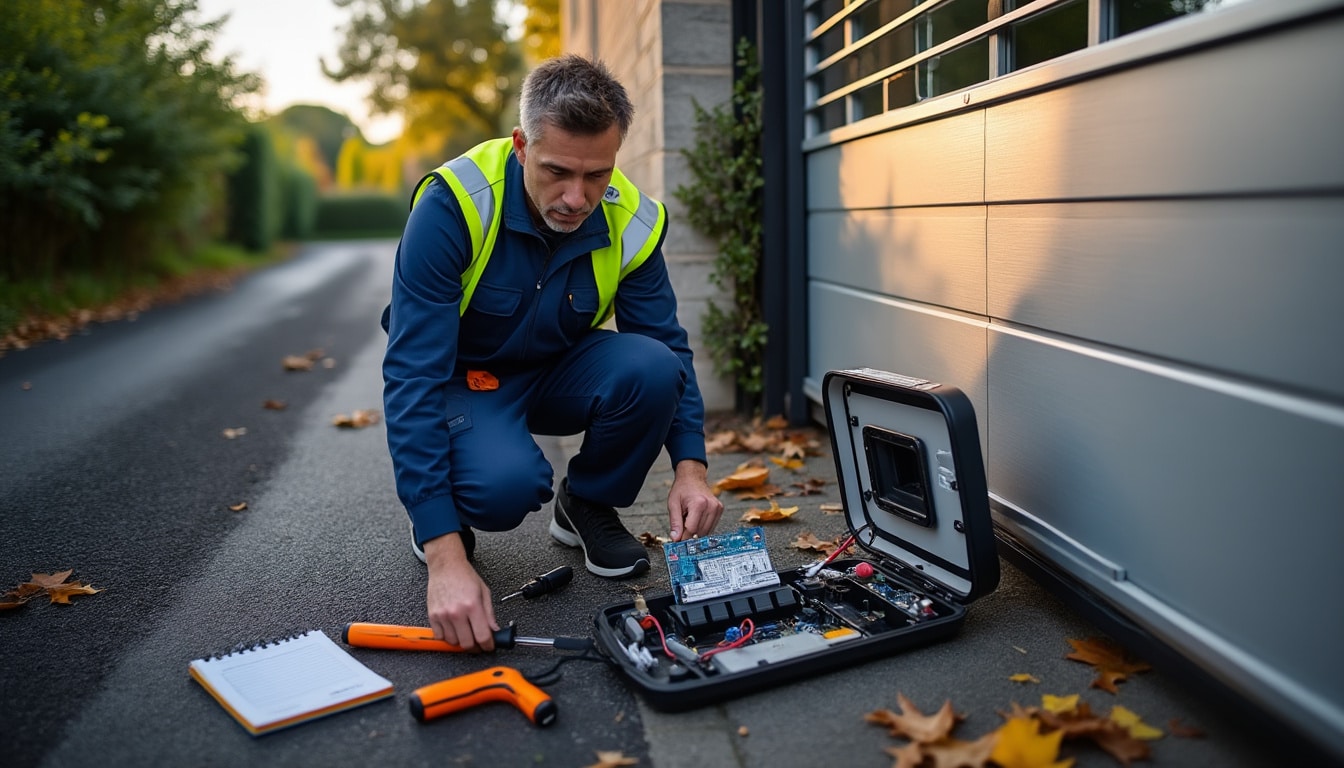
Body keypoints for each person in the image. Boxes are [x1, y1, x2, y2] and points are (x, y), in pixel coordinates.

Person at [381, 54, 724, 653]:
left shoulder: (632, 220)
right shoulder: (453, 205)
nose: (575, 196)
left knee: (653, 366)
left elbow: (668, 342)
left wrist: (691, 470)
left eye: (596, 175)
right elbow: (412, 374)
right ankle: (443, 516)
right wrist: (443, 555)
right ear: (521, 145)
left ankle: (586, 503)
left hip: (558, 367)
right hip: (465, 378)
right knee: (504, 489)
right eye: (557, 171)